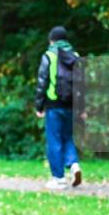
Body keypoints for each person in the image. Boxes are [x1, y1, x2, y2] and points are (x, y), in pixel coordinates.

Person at [34, 26, 82, 190]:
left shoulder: (49, 55)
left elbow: (42, 82)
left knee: (54, 140)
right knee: (68, 137)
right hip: (71, 105)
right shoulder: (75, 56)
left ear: (51, 40)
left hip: (54, 105)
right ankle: (74, 164)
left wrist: (39, 105)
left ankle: (59, 179)